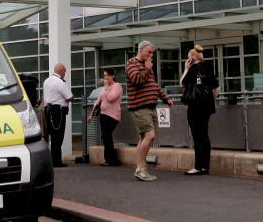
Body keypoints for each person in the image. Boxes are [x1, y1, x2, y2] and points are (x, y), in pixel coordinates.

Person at [125, 41, 173, 181]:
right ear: (141, 50)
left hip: (151, 106)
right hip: (139, 106)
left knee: (143, 137)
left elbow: (153, 85)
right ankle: (141, 168)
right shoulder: (131, 63)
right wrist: (146, 68)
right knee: (150, 135)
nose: (151, 55)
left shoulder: (148, 66)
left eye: (152, 53)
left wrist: (165, 98)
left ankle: (140, 168)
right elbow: (136, 80)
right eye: (149, 52)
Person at [180, 44, 220, 175]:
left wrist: (186, 68)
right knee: (204, 134)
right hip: (207, 106)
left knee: (197, 136)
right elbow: (216, 87)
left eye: (188, 58)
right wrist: (210, 100)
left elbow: (182, 83)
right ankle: (205, 166)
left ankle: (197, 167)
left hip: (195, 106)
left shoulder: (192, 69)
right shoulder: (208, 67)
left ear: (191, 58)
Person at [86, 68, 122, 166]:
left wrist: (106, 88)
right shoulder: (103, 88)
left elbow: (111, 98)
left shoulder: (117, 86)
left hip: (113, 115)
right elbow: (98, 101)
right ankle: (108, 159)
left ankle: (112, 159)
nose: (106, 78)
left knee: (107, 135)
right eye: (104, 76)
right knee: (105, 136)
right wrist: (91, 115)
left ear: (112, 76)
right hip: (103, 115)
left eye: (107, 76)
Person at [41, 62, 74, 168]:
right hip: (57, 111)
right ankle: (56, 162)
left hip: (48, 110)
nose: (64, 74)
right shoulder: (60, 82)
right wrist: (73, 97)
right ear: (60, 71)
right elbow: (69, 97)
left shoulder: (46, 81)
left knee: (53, 136)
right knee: (58, 137)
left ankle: (54, 160)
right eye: (64, 72)